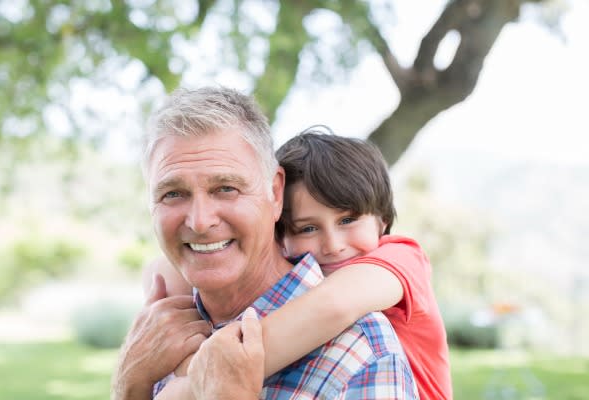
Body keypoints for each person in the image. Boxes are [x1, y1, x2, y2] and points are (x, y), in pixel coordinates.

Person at [112, 86, 418, 400]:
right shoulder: (158, 338)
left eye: (226, 188)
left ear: (275, 193)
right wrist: (129, 386)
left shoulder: (361, 353)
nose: (200, 221)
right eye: (173, 194)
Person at [149, 127, 452, 400]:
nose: (333, 245)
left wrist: (186, 384)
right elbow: (163, 267)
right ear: (279, 234)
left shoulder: (401, 257)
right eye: (307, 228)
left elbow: (333, 305)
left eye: (348, 220)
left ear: (382, 220)